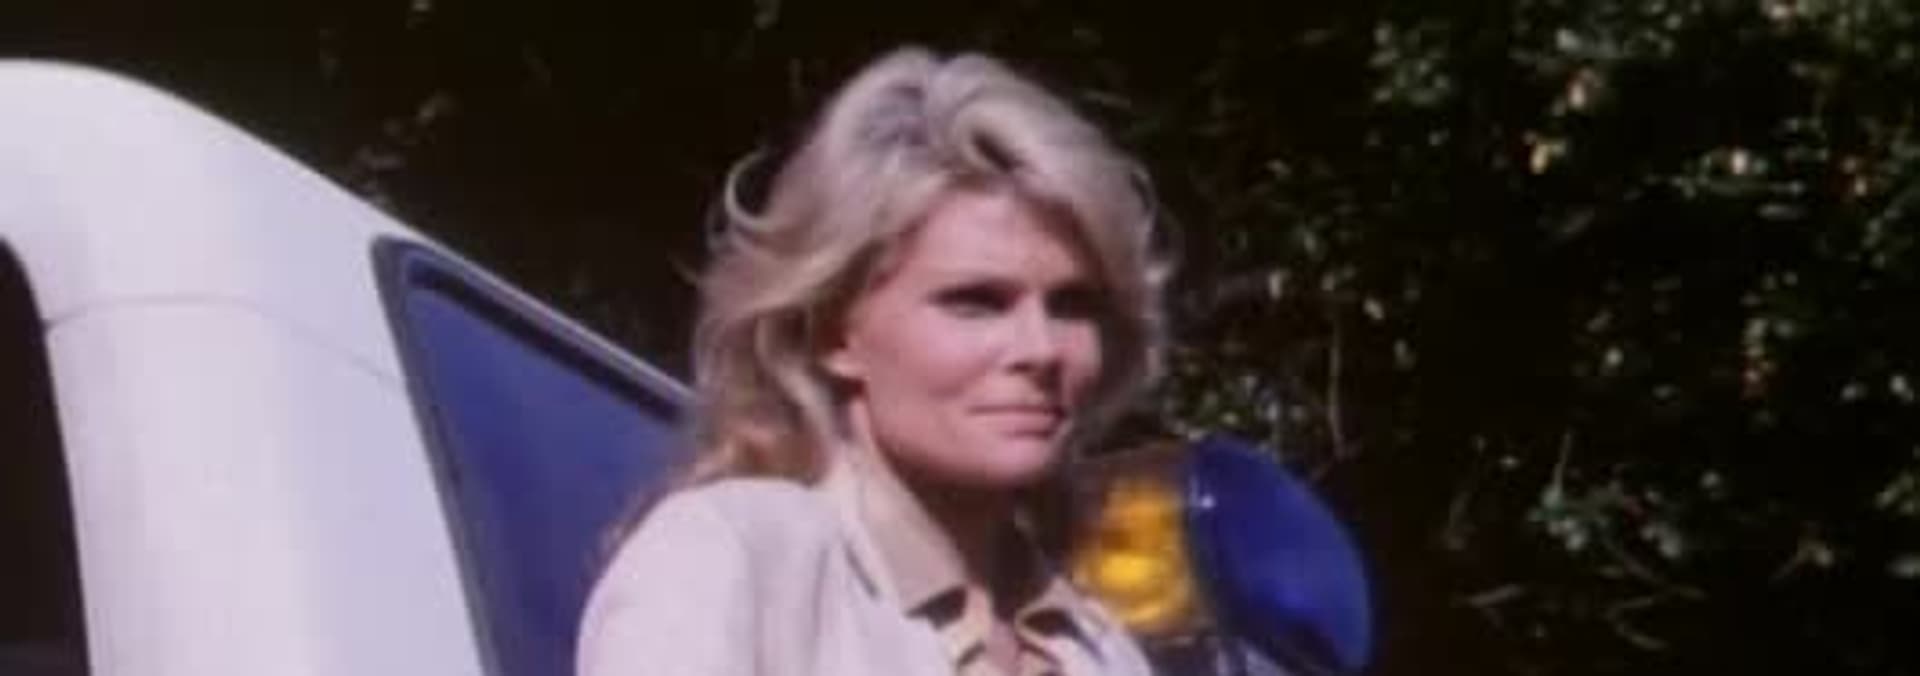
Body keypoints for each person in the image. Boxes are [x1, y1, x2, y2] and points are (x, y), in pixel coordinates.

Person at [577, 45, 1168, 676]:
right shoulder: (734, 562)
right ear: (832, 333)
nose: (1041, 349)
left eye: (1073, 305)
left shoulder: (1105, 652)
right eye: (976, 302)